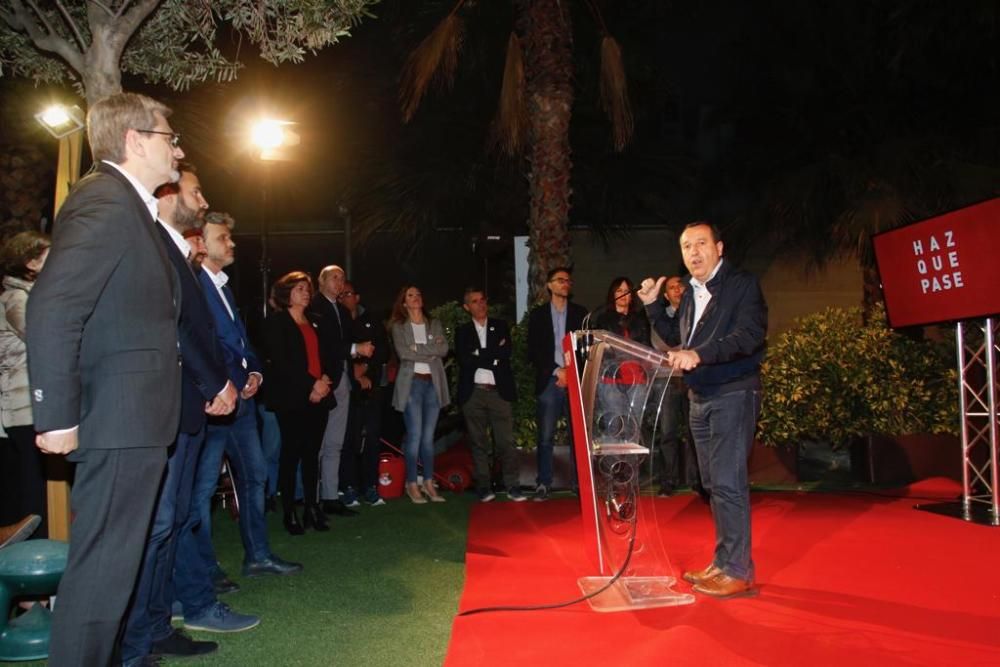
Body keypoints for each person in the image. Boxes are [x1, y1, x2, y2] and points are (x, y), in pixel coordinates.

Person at [26, 92, 183, 667]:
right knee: (100, 577)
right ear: (136, 139)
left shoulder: (124, 205)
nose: (178, 148)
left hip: (134, 419)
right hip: (118, 420)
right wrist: (57, 417)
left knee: (113, 576)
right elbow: (53, 308)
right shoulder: (106, 202)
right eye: (170, 137)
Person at [120, 163, 237, 665]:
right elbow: (175, 330)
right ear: (169, 196)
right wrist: (218, 383)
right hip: (169, 406)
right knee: (159, 524)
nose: (202, 197)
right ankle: (133, 643)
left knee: (170, 524)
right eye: (195, 189)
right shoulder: (154, 245)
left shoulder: (176, 253)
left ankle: (154, 628)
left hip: (188, 408)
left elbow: (198, 332)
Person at [638, 221, 767, 599]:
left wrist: (698, 354)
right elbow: (682, 339)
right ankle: (723, 561)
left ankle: (737, 570)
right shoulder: (692, 294)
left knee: (727, 483)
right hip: (699, 396)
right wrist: (650, 308)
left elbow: (748, 336)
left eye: (700, 244)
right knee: (711, 484)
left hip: (732, 393)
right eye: (685, 247)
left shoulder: (743, 286)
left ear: (719, 247)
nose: (693, 252)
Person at [193, 211, 301, 577]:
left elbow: (242, 343)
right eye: (223, 237)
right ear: (200, 243)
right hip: (214, 406)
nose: (232, 242)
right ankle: (205, 571)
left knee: (255, 478)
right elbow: (202, 346)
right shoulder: (194, 286)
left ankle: (258, 555)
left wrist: (254, 371)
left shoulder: (223, 286)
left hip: (242, 406)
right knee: (202, 490)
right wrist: (227, 382)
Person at [263, 272, 337, 533]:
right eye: (299, 289)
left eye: (307, 289)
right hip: (292, 398)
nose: (306, 293)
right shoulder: (277, 322)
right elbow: (282, 363)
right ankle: (289, 512)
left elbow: (327, 355)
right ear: (287, 294)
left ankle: (311, 507)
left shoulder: (315, 321)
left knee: (311, 455)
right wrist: (311, 384)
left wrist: (325, 380)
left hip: (319, 396)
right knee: (290, 454)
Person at [309, 265, 374, 515]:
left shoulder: (342, 310)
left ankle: (330, 496)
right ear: (321, 280)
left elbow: (356, 337)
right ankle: (311, 497)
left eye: (342, 279)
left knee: (335, 442)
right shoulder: (314, 308)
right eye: (334, 278)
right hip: (322, 382)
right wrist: (356, 349)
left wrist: (362, 348)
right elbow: (326, 347)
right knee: (317, 443)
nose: (339, 283)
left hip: (342, 381)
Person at [0, 231, 50, 538]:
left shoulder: (30, 295)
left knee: (37, 488)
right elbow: (40, 337)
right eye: (48, 256)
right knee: (32, 492)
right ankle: (35, 562)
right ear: (30, 263)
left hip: (33, 406)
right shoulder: (15, 298)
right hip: (22, 408)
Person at [455, 288, 524, 502]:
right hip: (473, 392)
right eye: (475, 301)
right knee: (478, 442)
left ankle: (512, 485)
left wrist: (480, 355)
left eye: (483, 300)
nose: (481, 304)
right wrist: (492, 355)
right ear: (467, 307)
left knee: (506, 442)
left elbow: (505, 354)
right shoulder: (463, 331)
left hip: (498, 392)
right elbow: (465, 360)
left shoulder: (500, 326)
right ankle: (484, 486)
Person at [526, 267, 587, 501]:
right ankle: (543, 482)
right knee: (546, 436)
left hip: (574, 380)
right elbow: (534, 351)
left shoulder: (580, 313)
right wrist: (557, 370)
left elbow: (585, 348)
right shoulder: (538, 315)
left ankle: (579, 484)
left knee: (578, 437)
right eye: (560, 280)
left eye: (567, 281)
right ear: (549, 285)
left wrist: (571, 372)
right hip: (550, 379)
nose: (565, 284)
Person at [389, 285, 449, 504]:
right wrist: (430, 350)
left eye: (418, 294)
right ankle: (412, 483)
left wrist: (418, 349)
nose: (416, 298)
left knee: (428, 438)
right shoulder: (399, 326)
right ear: (404, 303)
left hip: (433, 384)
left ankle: (429, 483)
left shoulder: (434, 324)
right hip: (412, 384)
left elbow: (443, 350)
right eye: (410, 295)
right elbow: (404, 353)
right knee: (414, 436)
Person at [652, 276, 704, 498]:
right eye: (672, 288)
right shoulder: (658, 318)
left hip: (693, 376)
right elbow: (664, 344)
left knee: (696, 431)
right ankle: (668, 480)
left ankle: (698, 480)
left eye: (680, 286)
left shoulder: (697, 314)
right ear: (665, 295)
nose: (677, 290)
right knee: (668, 432)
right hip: (667, 378)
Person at [339, 280, 390, 506]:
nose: (344, 297)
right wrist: (354, 372)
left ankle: (370, 486)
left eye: (348, 293)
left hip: (371, 388)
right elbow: (332, 352)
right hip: (346, 388)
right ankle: (347, 486)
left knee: (372, 437)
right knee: (347, 438)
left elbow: (383, 351)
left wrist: (366, 369)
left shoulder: (372, 320)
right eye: (341, 295)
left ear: (357, 297)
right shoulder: (335, 320)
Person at [592, 276, 650, 345]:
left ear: (631, 296)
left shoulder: (640, 319)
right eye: (619, 291)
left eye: (626, 291)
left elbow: (646, 345)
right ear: (613, 295)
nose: (623, 294)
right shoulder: (603, 319)